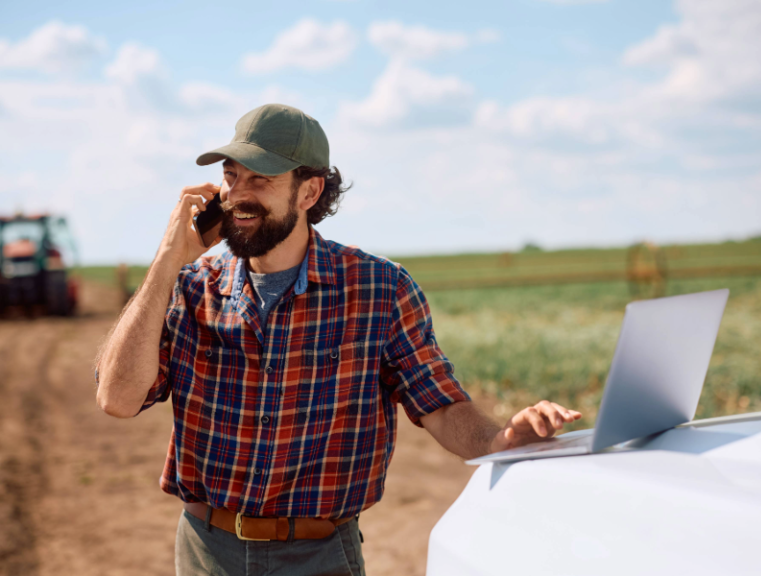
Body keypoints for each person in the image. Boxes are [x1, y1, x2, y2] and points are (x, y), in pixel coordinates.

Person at [95, 103, 581, 576]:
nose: (237, 195)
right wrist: (165, 261)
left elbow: (441, 405)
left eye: (260, 179)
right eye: (231, 176)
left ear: (309, 192)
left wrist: (501, 439)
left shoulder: (379, 289)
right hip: (206, 553)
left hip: (319, 557)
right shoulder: (190, 285)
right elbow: (117, 398)